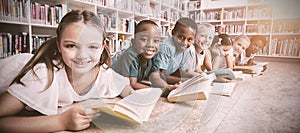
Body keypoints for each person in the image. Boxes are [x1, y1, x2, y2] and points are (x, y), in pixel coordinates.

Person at [0, 10, 134, 132]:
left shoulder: (104, 73)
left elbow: (125, 87)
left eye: (92, 47)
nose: (82, 56)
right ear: (59, 45)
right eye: (71, 46)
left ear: (102, 46)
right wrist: (60, 121)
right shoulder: (43, 74)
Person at [112, 20, 177, 91]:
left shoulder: (155, 55)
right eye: (144, 39)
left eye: (156, 41)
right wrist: (156, 90)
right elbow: (132, 84)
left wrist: (168, 87)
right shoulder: (130, 55)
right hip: (111, 81)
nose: (150, 45)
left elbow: (155, 78)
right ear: (133, 42)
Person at [156, 17, 200, 85]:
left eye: (189, 39)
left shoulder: (187, 49)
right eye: (181, 37)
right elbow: (160, 76)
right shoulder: (166, 47)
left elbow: (182, 72)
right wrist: (184, 80)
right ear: (173, 33)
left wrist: (199, 77)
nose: (185, 43)